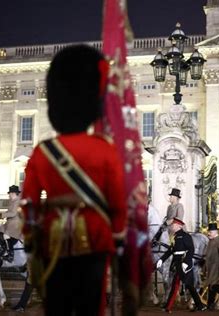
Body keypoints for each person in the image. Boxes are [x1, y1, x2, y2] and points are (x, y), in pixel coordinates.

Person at [21, 45, 127, 316]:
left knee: (57, 306)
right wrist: (117, 237)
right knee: (92, 306)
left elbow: (28, 204)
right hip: (94, 237)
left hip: (53, 239)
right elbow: (117, 202)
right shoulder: (105, 148)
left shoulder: (43, 152)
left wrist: (31, 237)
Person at [156, 218, 207, 313]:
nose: (172, 226)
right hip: (178, 264)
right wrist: (161, 260)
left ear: (179, 226)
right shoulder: (175, 237)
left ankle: (199, 305)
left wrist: (186, 263)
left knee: (186, 286)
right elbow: (171, 250)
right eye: (172, 225)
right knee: (178, 286)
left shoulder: (185, 236)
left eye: (174, 225)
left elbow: (190, 250)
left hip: (184, 265)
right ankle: (169, 307)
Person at [0, 185, 23, 262]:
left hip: (15, 224)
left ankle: (10, 255)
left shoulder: (17, 201)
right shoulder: (12, 201)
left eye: (10, 193)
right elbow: (9, 212)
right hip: (10, 222)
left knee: (6, 235)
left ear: (14, 193)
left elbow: (13, 213)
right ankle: (4, 249)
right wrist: (0, 215)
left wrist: (2, 215)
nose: (9, 194)